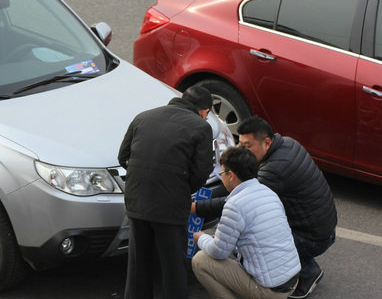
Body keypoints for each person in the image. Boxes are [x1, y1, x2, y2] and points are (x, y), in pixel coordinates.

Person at [192, 116, 336, 299]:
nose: (242, 150)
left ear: (266, 142)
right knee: (263, 227)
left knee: (206, 258)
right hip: (320, 226)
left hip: (313, 237)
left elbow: (230, 203)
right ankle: (305, 271)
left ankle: (306, 274)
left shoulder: (273, 172)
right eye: (240, 143)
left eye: (247, 146)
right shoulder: (288, 144)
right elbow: (236, 183)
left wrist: (198, 216)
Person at [118, 86, 214, 299]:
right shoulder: (201, 127)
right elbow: (201, 172)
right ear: (204, 111)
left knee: (138, 265)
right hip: (170, 207)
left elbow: (122, 156)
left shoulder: (143, 117)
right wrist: (178, 187)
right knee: (173, 267)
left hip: (136, 202)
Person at [192, 146, 301, 299]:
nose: (221, 177)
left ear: (231, 175)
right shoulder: (269, 193)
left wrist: (201, 238)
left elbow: (218, 252)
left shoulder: (234, 205)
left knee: (200, 260)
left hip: (271, 290)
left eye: (222, 173)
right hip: (292, 278)